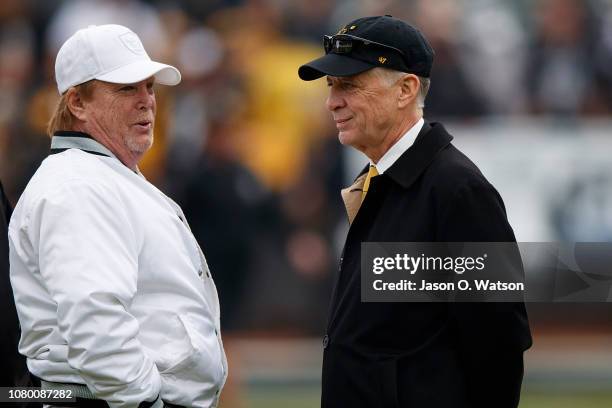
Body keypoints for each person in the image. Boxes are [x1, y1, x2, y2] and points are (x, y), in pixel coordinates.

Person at [298, 15, 532, 408]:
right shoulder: (380, 179)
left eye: (349, 85)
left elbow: (499, 341)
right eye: (331, 85)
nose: (332, 100)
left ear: (405, 89)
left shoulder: (458, 190)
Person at [9, 25, 227, 408]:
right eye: (126, 88)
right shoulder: (78, 186)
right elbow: (96, 321)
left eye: (149, 87)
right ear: (77, 103)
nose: (146, 101)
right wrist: (146, 401)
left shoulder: (98, 177)